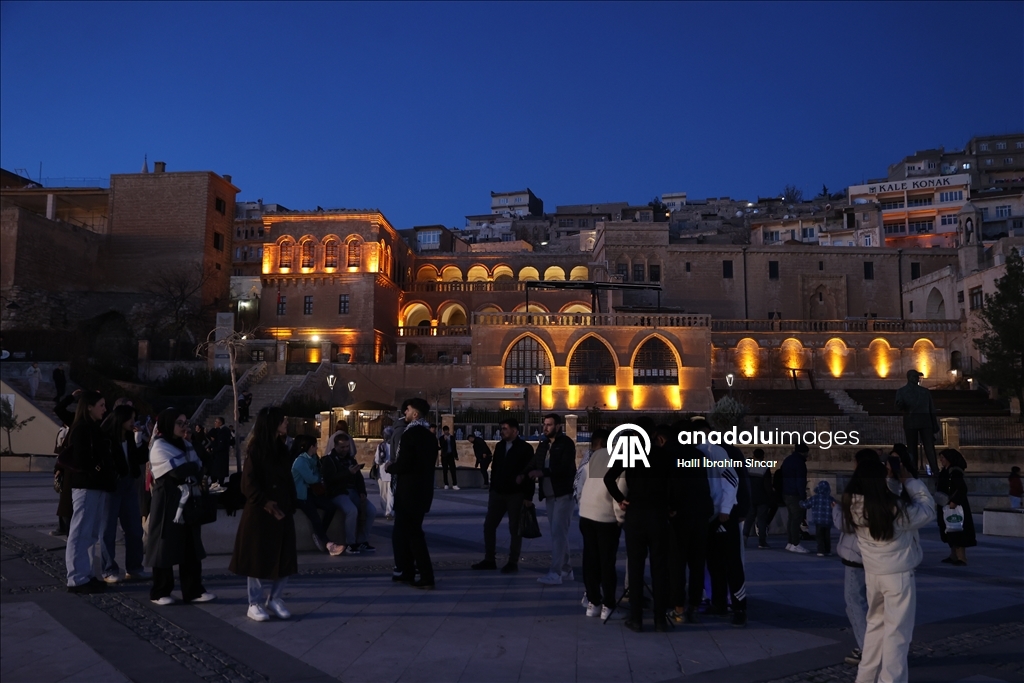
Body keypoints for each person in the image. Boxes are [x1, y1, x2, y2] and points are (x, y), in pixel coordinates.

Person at [844, 458, 935, 683]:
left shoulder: (853, 504)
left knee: (875, 628)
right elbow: (927, 510)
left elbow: (880, 498)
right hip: (898, 574)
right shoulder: (894, 509)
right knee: (897, 634)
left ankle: (865, 678)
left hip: (873, 573)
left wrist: (891, 483)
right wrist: (908, 481)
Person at [230, 406, 297, 622]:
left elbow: (287, 478)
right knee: (257, 558)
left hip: (282, 510)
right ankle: (254, 602)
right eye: (282, 420)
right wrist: (265, 502)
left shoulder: (283, 448)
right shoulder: (257, 449)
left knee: (285, 558)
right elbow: (248, 483)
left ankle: (275, 598)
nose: (286, 423)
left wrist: (292, 501)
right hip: (261, 512)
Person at [604, 419, 671, 632]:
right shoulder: (664, 454)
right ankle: (660, 619)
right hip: (658, 513)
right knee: (660, 567)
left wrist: (620, 499)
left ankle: (636, 619)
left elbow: (608, 478)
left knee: (635, 566)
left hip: (636, 513)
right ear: (654, 434)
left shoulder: (630, 453)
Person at [146, 408, 216, 605]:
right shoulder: (159, 445)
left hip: (187, 501)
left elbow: (200, 466)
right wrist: (191, 467)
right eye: (179, 423)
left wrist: (191, 467)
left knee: (191, 546)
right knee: (164, 545)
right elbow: (179, 471)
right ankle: (160, 591)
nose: (184, 427)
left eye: (186, 423)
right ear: (168, 424)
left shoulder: (186, 444)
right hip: (167, 502)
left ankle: (193, 590)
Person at [64, 390, 118, 594]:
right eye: (101, 405)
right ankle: (76, 578)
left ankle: (86, 574)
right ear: (88, 407)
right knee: (80, 533)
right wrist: (99, 469)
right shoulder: (81, 429)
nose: (105, 409)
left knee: (91, 533)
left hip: (97, 485)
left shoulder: (94, 427)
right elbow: (83, 460)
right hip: (86, 486)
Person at [471, 418, 535, 574]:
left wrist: (528, 496)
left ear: (515, 430)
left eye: (505, 428)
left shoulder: (525, 448)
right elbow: (495, 468)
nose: (502, 431)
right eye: (501, 428)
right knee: (489, 525)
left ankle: (513, 561)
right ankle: (489, 559)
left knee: (515, 529)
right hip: (498, 493)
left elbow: (530, 472)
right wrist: (492, 488)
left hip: (516, 494)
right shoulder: (499, 446)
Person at [834, 449, 878, 668]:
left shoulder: (856, 495)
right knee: (874, 605)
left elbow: (845, 524)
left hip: (856, 555)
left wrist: (837, 510)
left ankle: (867, 650)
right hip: (878, 557)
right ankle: (877, 647)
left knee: (854, 603)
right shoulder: (885, 490)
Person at [387, 398, 437, 589]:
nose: (404, 413)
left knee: (413, 535)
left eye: (407, 410)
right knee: (405, 533)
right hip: (422, 492)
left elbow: (405, 464)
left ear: (415, 414)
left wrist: (390, 467)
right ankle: (406, 571)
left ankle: (426, 576)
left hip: (409, 493)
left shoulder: (411, 434)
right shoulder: (429, 435)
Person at [666, 422, 713, 625]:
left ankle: (678, 608)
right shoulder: (699, 456)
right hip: (701, 513)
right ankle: (694, 606)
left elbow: (673, 485)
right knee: (697, 563)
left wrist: (671, 507)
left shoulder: (671, 456)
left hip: (680, 515)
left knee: (677, 564)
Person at [522, 413, 577, 585]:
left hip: (563, 494)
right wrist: (522, 474)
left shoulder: (566, 444)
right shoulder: (544, 444)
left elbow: (565, 468)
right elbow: (534, 463)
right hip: (550, 495)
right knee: (558, 533)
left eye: (549, 425)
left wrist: (543, 472)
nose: (545, 428)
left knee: (558, 533)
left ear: (558, 426)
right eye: (544, 424)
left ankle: (556, 572)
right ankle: (566, 569)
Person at [100, 404, 150, 583]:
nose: (133, 422)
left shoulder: (130, 437)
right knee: (107, 530)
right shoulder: (107, 438)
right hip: (111, 487)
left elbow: (141, 458)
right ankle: (109, 570)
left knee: (135, 529)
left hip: (129, 485)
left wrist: (139, 441)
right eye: (130, 418)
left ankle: (134, 568)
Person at [577, 428, 624, 620]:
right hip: (606, 517)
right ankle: (608, 605)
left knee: (590, 560)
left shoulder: (593, 457)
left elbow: (581, 484)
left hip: (587, 515)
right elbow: (620, 489)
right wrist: (620, 518)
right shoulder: (619, 458)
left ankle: (593, 603)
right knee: (607, 562)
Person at [291, 436, 346, 555]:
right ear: (311, 447)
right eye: (316, 445)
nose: (317, 448)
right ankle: (328, 544)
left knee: (331, 507)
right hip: (300, 495)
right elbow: (311, 478)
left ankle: (319, 534)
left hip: (310, 492)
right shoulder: (300, 461)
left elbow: (317, 473)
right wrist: (319, 477)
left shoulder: (312, 459)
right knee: (314, 517)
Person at [320, 432, 372, 553]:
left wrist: (362, 492)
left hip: (353, 491)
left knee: (371, 510)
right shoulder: (329, 460)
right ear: (335, 446)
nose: (345, 449)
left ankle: (362, 541)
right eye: (342, 447)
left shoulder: (350, 460)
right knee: (351, 510)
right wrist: (348, 473)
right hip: (337, 492)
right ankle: (350, 543)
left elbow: (359, 478)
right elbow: (329, 479)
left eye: (347, 446)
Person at [935, 449, 976, 566]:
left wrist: (955, 501)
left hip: (955, 507)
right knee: (949, 530)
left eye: (943, 458)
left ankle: (961, 557)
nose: (941, 460)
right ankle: (953, 555)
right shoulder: (945, 471)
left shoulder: (955, 472)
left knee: (957, 529)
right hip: (946, 505)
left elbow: (962, 489)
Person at [895, 369, 939, 476]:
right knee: (911, 449)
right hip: (912, 422)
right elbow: (898, 407)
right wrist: (901, 405)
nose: (917, 379)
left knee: (929, 448)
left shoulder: (925, 392)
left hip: (924, 422)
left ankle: (935, 470)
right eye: (915, 376)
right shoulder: (901, 391)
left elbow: (931, 408)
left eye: (917, 377)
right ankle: (913, 471)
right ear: (909, 377)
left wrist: (934, 424)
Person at [781, 444, 811, 553]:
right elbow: (800, 481)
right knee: (796, 520)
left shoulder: (787, 460)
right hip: (795, 494)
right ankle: (795, 543)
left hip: (786, 493)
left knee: (791, 519)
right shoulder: (800, 463)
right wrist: (803, 496)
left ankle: (790, 543)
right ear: (804, 452)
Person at [801, 480, 834, 557]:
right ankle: (827, 550)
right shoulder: (831, 499)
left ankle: (820, 550)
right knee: (827, 536)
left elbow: (806, 505)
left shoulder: (815, 498)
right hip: (828, 521)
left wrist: (800, 502)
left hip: (818, 521)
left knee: (819, 536)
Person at [206, 417, 235, 488]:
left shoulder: (224, 431)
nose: (215, 423)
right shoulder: (218, 430)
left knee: (220, 470)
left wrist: (214, 449)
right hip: (217, 454)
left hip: (221, 454)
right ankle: (215, 482)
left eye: (216, 422)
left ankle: (219, 483)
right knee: (215, 469)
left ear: (220, 423)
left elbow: (222, 443)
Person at [374, 427, 395, 519]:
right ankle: (389, 511)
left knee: (383, 493)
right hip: (392, 472)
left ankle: (386, 510)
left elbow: (377, 460)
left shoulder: (381, 446)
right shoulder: (396, 445)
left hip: (382, 473)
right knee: (391, 493)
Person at [438, 425, 460, 490]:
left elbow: (454, 447)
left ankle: (454, 484)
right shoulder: (441, 438)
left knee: (453, 470)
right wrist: (444, 440)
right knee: (445, 470)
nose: (446, 432)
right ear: (443, 431)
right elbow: (442, 446)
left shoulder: (452, 437)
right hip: (444, 456)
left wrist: (456, 456)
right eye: (445, 431)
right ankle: (446, 484)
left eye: (447, 430)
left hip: (451, 455)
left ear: (448, 430)